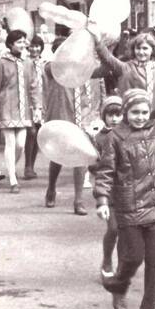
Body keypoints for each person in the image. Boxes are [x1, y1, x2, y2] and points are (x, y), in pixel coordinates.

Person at [93, 88, 155, 309]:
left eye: (144, 112)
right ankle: (119, 285)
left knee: (154, 260)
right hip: (129, 206)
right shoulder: (115, 138)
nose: (140, 117)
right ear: (125, 113)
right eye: (134, 112)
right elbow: (106, 172)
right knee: (134, 256)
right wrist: (102, 201)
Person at [40, 36, 105, 215]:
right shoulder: (55, 68)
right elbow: (48, 69)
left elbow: (101, 89)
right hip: (63, 114)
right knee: (58, 156)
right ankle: (51, 187)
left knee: (82, 156)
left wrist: (99, 112)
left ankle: (78, 200)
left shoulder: (91, 68)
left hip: (85, 116)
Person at [0, 29, 36, 193]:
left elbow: (33, 86)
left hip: (23, 109)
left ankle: (10, 168)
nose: (22, 44)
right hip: (6, 106)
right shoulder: (1, 63)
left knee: (21, 144)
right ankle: (13, 180)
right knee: (10, 142)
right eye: (19, 42)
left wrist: (37, 107)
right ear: (10, 44)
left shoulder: (28, 62)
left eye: (24, 41)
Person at [91, 96, 123, 280]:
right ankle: (107, 260)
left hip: (128, 189)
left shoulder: (129, 134)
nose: (115, 119)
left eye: (118, 114)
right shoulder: (100, 137)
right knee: (113, 229)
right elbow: (92, 163)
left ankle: (121, 266)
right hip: (110, 190)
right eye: (110, 115)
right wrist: (98, 165)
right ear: (104, 116)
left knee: (127, 233)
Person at [24, 35, 47, 180]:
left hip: (43, 100)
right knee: (30, 132)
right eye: (32, 46)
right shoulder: (24, 62)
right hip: (28, 101)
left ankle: (32, 166)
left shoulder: (46, 63)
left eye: (37, 46)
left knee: (38, 133)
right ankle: (27, 166)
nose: (34, 49)